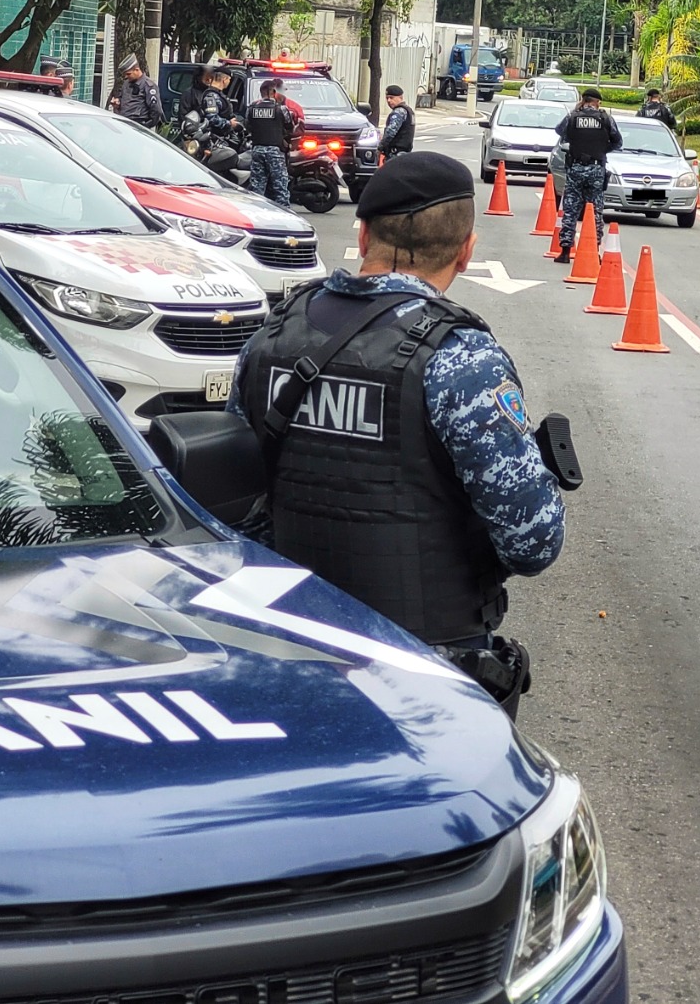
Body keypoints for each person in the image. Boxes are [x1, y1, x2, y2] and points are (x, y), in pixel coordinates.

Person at [227, 152, 565, 712]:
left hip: (287, 646)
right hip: (421, 675)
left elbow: (236, 497)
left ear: (362, 236)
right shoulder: (461, 359)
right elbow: (532, 542)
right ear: (465, 251)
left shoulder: (274, 335)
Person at [553, 88, 622, 264]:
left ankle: (565, 252)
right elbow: (618, 142)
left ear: (583, 100)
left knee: (571, 209)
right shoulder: (605, 118)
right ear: (597, 102)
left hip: (576, 167)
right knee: (595, 211)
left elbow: (559, 131)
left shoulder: (572, 117)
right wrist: (601, 150)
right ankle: (594, 251)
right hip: (596, 169)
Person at [245, 78, 297, 207]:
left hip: (257, 150)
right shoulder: (281, 109)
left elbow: (248, 126)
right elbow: (290, 128)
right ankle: (284, 213)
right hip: (275, 152)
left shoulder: (251, 108)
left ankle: (256, 211)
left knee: (257, 187)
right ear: (274, 92)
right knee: (280, 186)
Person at [110, 54, 165, 128]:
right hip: (124, 124)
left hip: (139, 125)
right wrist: (117, 103)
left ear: (136, 70)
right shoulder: (126, 84)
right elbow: (123, 100)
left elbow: (157, 110)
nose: (126, 76)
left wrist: (146, 126)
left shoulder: (148, 85)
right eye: (125, 74)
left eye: (128, 74)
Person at [198, 66, 240, 135]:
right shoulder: (211, 96)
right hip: (215, 137)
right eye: (229, 79)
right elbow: (212, 118)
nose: (229, 82)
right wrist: (229, 123)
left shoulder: (219, 94)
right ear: (224, 79)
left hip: (223, 135)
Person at [380, 85, 415, 160]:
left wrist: (380, 146)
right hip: (405, 154)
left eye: (391, 98)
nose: (389, 100)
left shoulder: (399, 112)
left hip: (395, 154)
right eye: (387, 98)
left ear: (400, 97)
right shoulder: (409, 111)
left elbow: (390, 132)